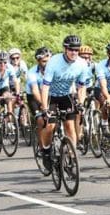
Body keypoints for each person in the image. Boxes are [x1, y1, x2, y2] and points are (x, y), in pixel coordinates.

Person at [38, 35, 91, 167]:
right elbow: (45, 87)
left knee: (70, 126)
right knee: (50, 126)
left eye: (77, 50)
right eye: (71, 50)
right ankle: (46, 150)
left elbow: (81, 86)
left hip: (66, 95)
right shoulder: (54, 62)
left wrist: (80, 103)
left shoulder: (82, 64)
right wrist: (45, 109)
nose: (74, 53)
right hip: (51, 95)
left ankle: (72, 157)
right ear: (65, 49)